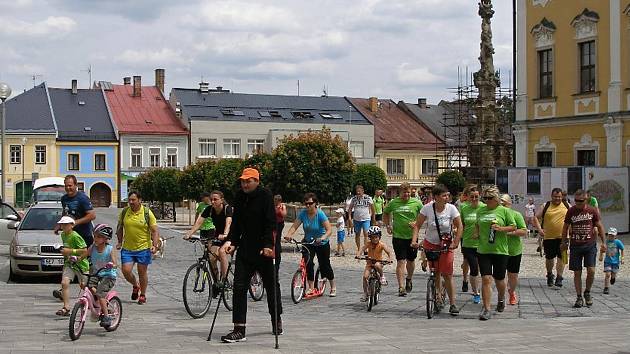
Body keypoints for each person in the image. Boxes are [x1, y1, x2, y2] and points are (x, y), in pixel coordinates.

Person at [220, 168, 283, 343]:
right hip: (246, 249)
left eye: (248, 181)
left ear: (257, 181)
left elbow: (271, 223)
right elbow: (237, 223)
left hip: (265, 250)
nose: (245, 184)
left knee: (271, 286)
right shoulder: (239, 196)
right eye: (243, 181)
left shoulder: (265, 195)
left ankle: (276, 319)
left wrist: (269, 245)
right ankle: (239, 329)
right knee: (239, 287)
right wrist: (232, 242)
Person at [412, 184, 463, 315]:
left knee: (447, 274)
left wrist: (456, 242)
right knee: (435, 272)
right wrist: (414, 241)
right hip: (430, 243)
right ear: (435, 197)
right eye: (444, 195)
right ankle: (438, 297)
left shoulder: (451, 209)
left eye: (447, 195)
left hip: (446, 245)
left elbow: (460, 226)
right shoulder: (427, 208)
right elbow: (417, 225)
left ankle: (452, 304)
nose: (447, 197)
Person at [475, 185, 516, 321]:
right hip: (483, 249)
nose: (487, 200)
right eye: (485, 198)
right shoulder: (481, 210)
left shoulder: (504, 211)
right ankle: (486, 309)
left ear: (497, 198)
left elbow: (513, 226)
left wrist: (501, 228)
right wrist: (476, 232)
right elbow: (477, 223)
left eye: (490, 198)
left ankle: (501, 298)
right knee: (486, 278)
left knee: (499, 279)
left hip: (500, 250)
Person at [53, 174, 96, 301]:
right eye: (66, 186)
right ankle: (64, 289)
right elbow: (65, 214)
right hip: (70, 237)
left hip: (84, 236)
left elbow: (92, 215)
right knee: (70, 262)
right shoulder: (64, 199)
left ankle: (92, 291)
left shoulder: (82, 198)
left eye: (70, 186)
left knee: (84, 265)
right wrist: (59, 225)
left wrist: (75, 222)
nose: (68, 188)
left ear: (76, 185)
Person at [284, 193, 336, 296]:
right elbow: (295, 226)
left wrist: (322, 238)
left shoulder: (320, 214)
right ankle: (311, 288)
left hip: (321, 243)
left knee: (325, 265)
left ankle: (333, 286)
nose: (308, 206)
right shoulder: (303, 214)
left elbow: (329, 230)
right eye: (306, 204)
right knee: (308, 263)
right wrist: (289, 235)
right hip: (308, 242)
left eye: (310, 203)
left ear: (315, 203)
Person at [561, 189, 606, 308]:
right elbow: (565, 227)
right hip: (575, 244)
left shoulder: (592, 211)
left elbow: (600, 226)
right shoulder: (571, 211)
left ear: (586, 200)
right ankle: (579, 296)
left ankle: (587, 292)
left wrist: (604, 242)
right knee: (577, 272)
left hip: (589, 244)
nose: (578, 203)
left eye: (580, 201)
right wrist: (564, 241)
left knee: (591, 270)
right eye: (576, 200)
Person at [116, 191, 160, 305]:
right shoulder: (125, 211)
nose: (130, 202)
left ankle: (143, 294)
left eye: (133, 200)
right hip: (127, 248)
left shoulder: (147, 213)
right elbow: (120, 227)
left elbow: (154, 231)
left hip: (143, 248)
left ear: (140, 200)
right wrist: (119, 241)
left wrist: (155, 246)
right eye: (129, 200)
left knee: (142, 272)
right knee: (125, 271)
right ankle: (135, 285)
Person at [382, 182, 423, 297]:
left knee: (411, 261)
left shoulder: (417, 203)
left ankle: (409, 278)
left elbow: (424, 215)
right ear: (400, 193)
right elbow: (386, 213)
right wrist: (388, 225)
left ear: (411, 192)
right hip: (398, 237)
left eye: (408, 192)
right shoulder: (394, 203)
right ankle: (401, 287)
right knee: (401, 261)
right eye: (404, 192)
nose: (406, 194)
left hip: (412, 237)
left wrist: (417, 223)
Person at [185, 190, 233, 282]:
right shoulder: (209, 209)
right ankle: (216, 281)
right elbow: (199, 222)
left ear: (221, 200)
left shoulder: (227, 208)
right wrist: (189, 233)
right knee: (211, 258)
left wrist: (225, 234)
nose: (213, 201)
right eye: (212, 199)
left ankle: (224, 279)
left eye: (215, 199)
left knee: (222, 252)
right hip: (218, 236)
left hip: (231, 235)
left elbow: (229, 222)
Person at [77, 224, 118, 327]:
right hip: (96, 273)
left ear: (105, 239)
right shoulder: (92, 248)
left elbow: (115, 262)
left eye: (99, 237)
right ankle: (99, 303)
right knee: (87, 286)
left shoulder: (109, 249)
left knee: (100, 293)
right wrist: (76, 259)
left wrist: (112, 265)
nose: (95, 239)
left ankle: (106, 316)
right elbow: (84, 255)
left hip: (108, 275)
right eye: (94, 236)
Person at [531, 188, 570, 288]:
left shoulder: (567, 205)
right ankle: (549, 274)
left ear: (562, 197)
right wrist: (539, 229)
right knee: (549, 258)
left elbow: (573, 218)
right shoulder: (546, 205)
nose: (557, 199)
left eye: (559, 197)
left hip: (563, 237)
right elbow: (535, 217)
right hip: (549, 237)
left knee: (562, 257)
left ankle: (559, 277)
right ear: (551, 196)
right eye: (555, 197)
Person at [56, 216, 89, 316]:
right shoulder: (63, 235)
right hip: (69, 263)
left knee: (85, 286)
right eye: (62, 224)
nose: (63, 226)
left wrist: (70, 251)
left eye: (66, 224)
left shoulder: (75, 236)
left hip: (81, 264)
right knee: (64, 283)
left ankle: (99, 303)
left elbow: (85, 250)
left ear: (71, 225)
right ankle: (66, 307)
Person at [500, 194, 528, 306]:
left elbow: (524, 231)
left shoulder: (516, 215)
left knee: (513, 275)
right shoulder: (497, 215)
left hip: (514, 250)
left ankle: (511, 292)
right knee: (500, 275)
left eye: (504, 203)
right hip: (500, 250)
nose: (502, 206)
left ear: (509, 204)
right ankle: (501, 297)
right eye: (500, 203)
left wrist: (509, 233)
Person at [459, 186, 484, 304]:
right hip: (468, 243)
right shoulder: (464, 208)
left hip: (482, 244)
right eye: (472, 196)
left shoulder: (484, 207)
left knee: (480, 268)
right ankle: (476, 293)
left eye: (476, 197)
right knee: (473, 267)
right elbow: (461, 224)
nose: (474, 199)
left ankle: (479, 288)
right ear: (468, 197)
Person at [357, 226, 393, 302]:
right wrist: (359, 254)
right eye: (373, 237)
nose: (375, 239)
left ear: (379, 237)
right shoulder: (368, 244)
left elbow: (389, 252)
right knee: (365, 276)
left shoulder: (381, 245)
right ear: (370, 238)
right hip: (369, 263)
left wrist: (390, 259)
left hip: (378, 262)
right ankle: (365, 293)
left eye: (376, 237)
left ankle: (382, 276)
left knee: (377, 265)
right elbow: (362, 249)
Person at [347, 185, 375, 254]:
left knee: (366, 234)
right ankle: (359, 249)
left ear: (363, 191)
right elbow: (350, 209)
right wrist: (350, 217)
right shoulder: (354, 199)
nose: (358, 193)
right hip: (356, 219)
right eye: (357, 191)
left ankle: (365, 249)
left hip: (366, 219)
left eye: (359, 191)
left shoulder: (368, 198)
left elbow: (373, 209)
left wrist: (373, 218)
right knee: (357, 234)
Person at [602, 227, 624, 295]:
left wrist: (622, 258)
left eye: (613, 235)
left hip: (615, 262)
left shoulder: (617, 242)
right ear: (608, 235)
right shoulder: (606, 241)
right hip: (607, 261)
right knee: (607, 274)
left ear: (615, 236)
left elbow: (622, 248)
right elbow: (602, 249)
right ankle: (606, 287)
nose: (611, 237)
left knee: (613, 274)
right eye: (610, 235)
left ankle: (613, 278)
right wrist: (601, 255)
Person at [274, 195, 287, 263]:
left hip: (279, 224)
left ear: (279, 200)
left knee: (278, 238)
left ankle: (278, 251)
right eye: (274, 199)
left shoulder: (282, 206)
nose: (275, 201)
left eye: (276, 200)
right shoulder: (272, 205)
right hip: (273, 223)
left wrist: (279, 209)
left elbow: (284, 214)